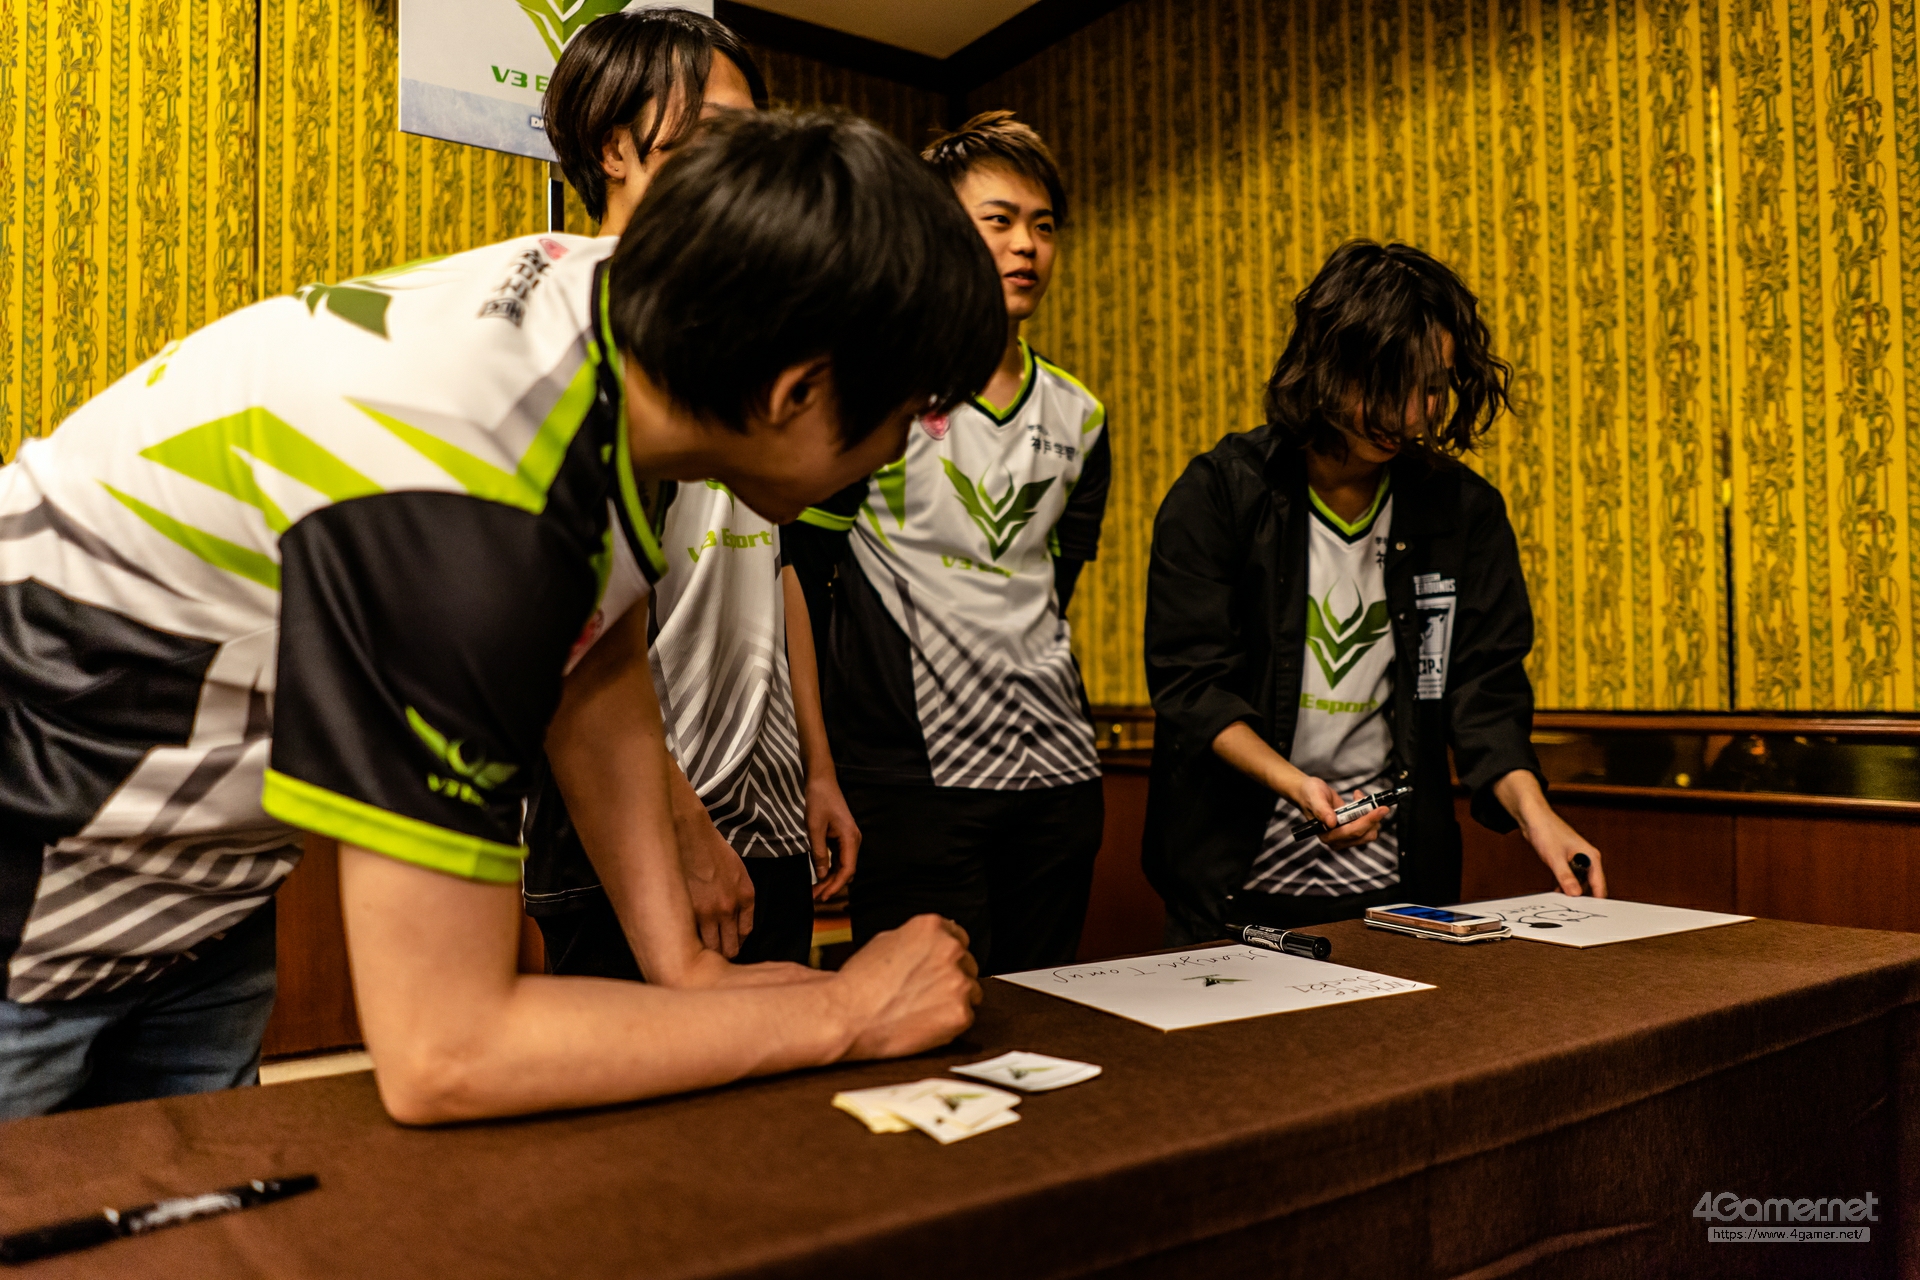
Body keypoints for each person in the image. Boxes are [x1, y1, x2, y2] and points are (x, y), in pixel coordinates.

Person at [0, 110, 1003, 1123]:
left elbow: (594, 644)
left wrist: (684, 967)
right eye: (907, 416)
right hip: (40, 869)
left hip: (199, 878)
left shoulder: (627, 310)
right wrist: (846, 1010)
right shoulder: (472, 509)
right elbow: (445, 1052)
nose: (898, 451)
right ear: (796, 393)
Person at [1142, 240, 1604, 945]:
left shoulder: (1461, 510)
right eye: (1389, 384)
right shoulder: (1222, 494)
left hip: (1399, 891)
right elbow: (1193, 686)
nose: (1412, 414)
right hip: (1231, 887)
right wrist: (1297, 785)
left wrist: (1537, 817)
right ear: (1327, 364)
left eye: (1433, 387)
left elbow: (1484, 694)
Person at [525, 8, 858, 972]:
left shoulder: (751, 337)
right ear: (613, 147)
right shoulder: (568, 324)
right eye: (713, 133)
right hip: (621, 811)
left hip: (767, 807)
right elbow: (577, 645)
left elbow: (778, 567)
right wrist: (681, 825)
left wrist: (817, 771)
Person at [788, 111, 1111, 976]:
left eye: (1044, 226)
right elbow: (799, 578)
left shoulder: (1081, 414)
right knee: (923, 1020)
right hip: (911, 783)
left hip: (1057, 779)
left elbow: (1051, 588)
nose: (1026, 246)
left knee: (1053, 1018)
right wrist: (819, 766)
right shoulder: (876, 389)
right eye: (998, 221)